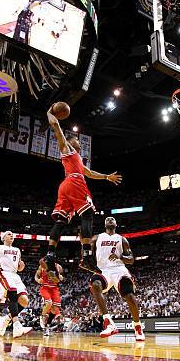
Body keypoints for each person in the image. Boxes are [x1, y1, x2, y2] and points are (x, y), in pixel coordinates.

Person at [43, 104, 122, 274]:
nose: (78, 140)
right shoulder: (68, 149)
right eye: (76, 140)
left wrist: (107, 177)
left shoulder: (77, 159)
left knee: (61, 221)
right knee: (87, 214)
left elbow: (90, 173)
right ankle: (86, 256)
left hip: (65, 187)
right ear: (71, 143)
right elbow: (56, 127)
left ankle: (50, 256)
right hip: (75, 183)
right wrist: (50, 113)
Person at [88, 217, 144, 341]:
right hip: (104, 270)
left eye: (112, 219)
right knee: (96, 284)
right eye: (108, 219)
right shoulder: (97, 238)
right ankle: (108, 322)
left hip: (119, 269)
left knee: (129, 296)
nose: (110, 219)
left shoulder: (122, 239)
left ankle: (138, 327)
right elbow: (88, 255)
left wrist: (120, 256)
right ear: (104, 224)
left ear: (116, 224)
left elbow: (131, 259)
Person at [0, 231, 33, 338]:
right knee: (12, 291)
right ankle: (17, 325)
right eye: (9, 234)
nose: (11, 235)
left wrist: (21, 266)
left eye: (12, 234)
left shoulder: (17, 250)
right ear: (3, 237)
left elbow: (18, 268)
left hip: (14, 275)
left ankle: (6, 319)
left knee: (24, 300)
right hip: (2, 272)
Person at [35, 259, 64, 337]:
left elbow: (60, 278)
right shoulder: (42, 266)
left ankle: (47, 326)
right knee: (49, 302)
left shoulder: (58, 267)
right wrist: (38, 280)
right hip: (45, 288)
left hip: (54, 289)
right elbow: (36, 276)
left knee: (54, 309)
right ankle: (42, 316)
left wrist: (61, 278)